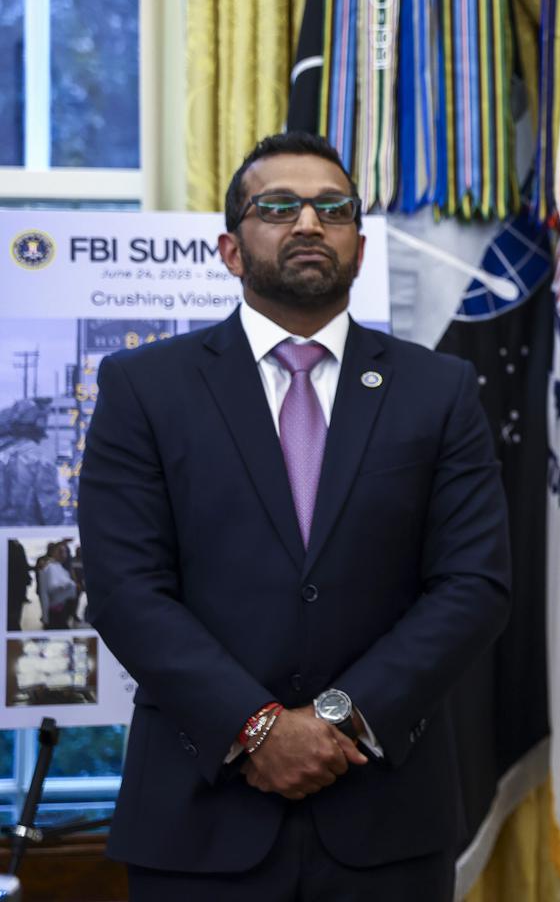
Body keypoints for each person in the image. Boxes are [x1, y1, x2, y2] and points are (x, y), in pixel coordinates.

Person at [78, 132, 511, 901]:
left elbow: (473, 586)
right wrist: (255, 727)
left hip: (385, 816)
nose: (309, 223)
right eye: (278, 207)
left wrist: (339, 718)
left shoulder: (439, 390)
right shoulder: (144, 388)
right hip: (198, 817)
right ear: (231, 250)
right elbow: (125, 589)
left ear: (360, 248)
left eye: (333, 209)